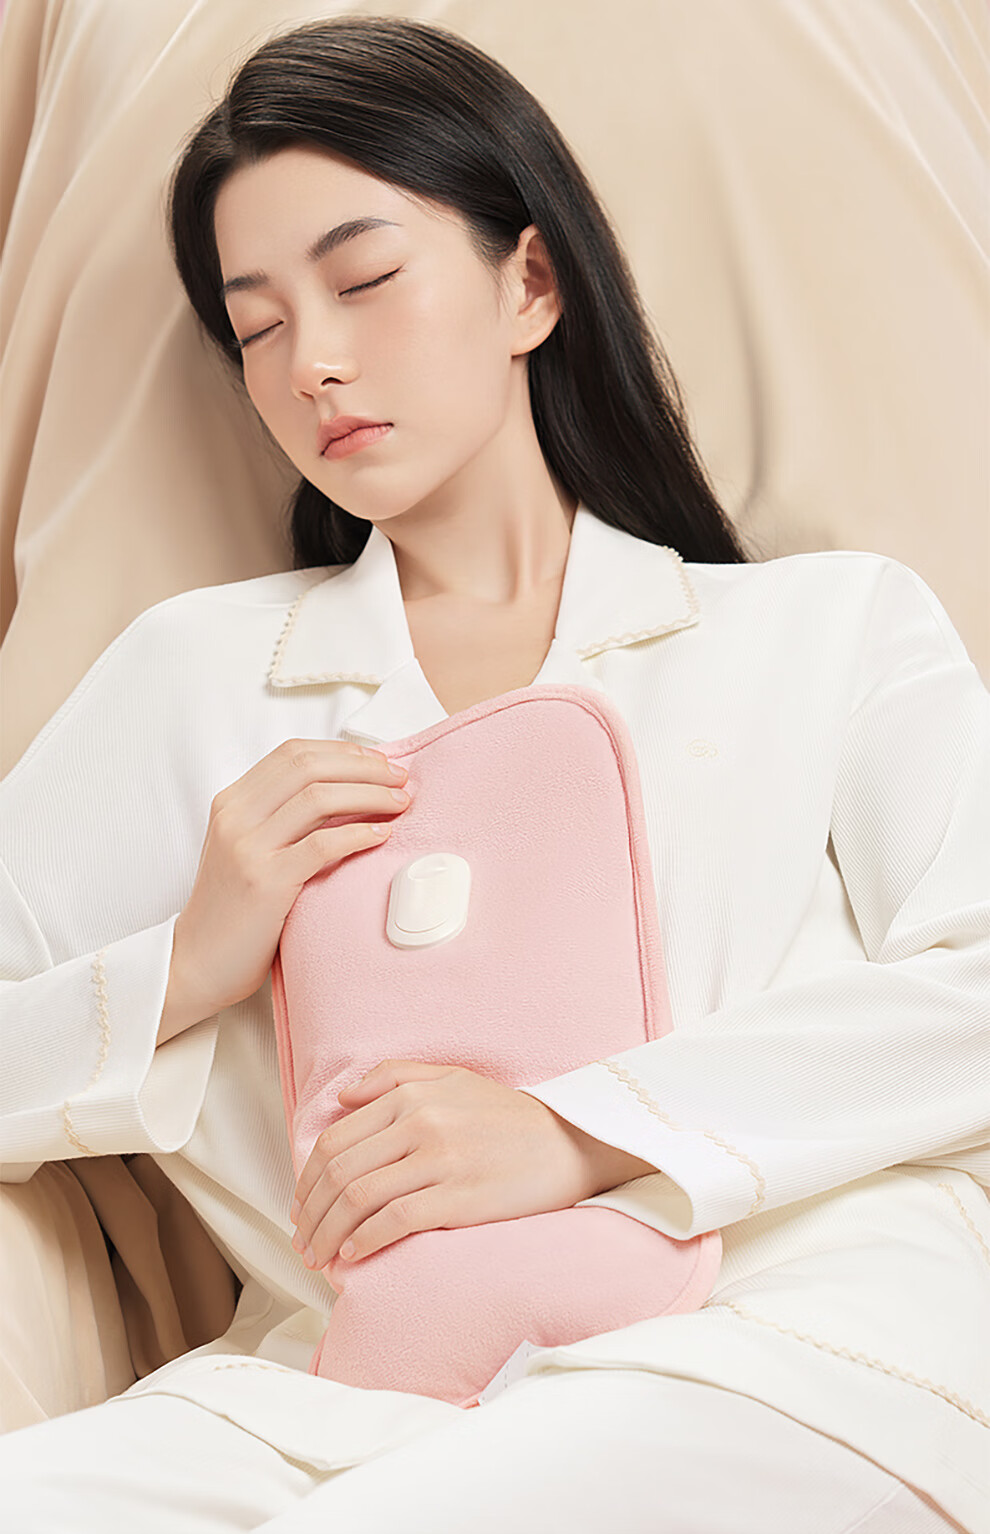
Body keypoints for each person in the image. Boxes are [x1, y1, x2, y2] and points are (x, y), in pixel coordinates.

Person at [0, 15, 986, 1532]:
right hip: (347, 1395)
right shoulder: (195, 678)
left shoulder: (827, 628)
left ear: (530, 283)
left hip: (786, 1345)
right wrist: (184, 964)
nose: (313, 363)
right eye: (256, 327)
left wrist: (581, 1127)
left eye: (364, 281)